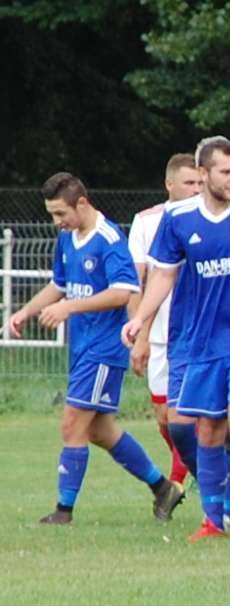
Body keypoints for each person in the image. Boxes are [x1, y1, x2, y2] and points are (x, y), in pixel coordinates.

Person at [122, 137, 230, 542]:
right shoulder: (178, 218)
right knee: (208, 432)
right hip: (201, 340)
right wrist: (141, 318)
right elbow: (162, 274)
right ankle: (213, 521)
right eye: (225, 172)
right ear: (203, 173)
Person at [7, 172, 184, 524]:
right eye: (53, 215)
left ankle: (63, 511)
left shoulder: (108, 239)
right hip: (83, 348)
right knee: (100, 431)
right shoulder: (68, 238)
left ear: (82, 203)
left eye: (61, 214)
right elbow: (60, 285)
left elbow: (124, 290)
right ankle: (163, 487)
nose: (57, 222)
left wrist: (69, 308)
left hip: (104, 349)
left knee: (72, 422)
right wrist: (26, 311)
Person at [127, 153, 202, 489]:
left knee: (193, 416)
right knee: (163, 416)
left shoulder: (210, 218)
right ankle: (195, 467)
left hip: (199, 334)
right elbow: (136, 284)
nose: (196, 189)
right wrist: (139, 336)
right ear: (169, 184)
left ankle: (180, 479)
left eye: (200, 182)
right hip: (158, 335)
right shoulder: (146, 222)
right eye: (189, 183)